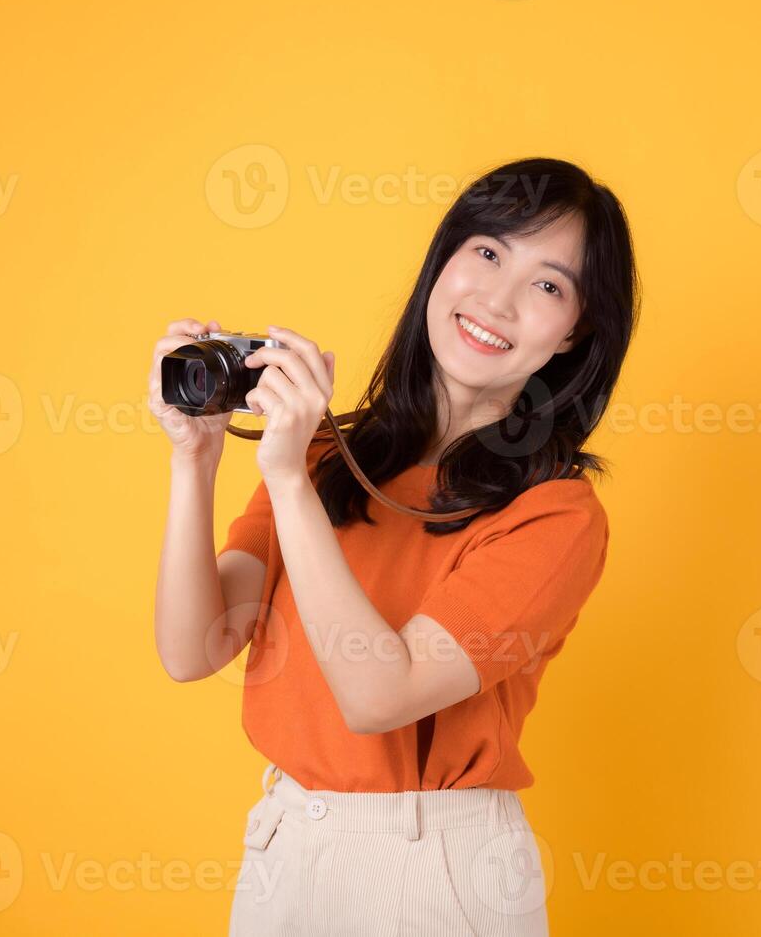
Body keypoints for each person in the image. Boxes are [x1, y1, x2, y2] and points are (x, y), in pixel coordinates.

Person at [148, 157, 640, 935]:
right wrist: (196, 458)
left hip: (433, 866)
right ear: (443, 261)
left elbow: (380, 696)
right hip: (286, 842)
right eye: (486, 252)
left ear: (576, 330)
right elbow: (191, 649)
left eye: (547, 285)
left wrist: (287, 479)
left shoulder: (556, 516)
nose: (498, 300)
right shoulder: (321, 457)